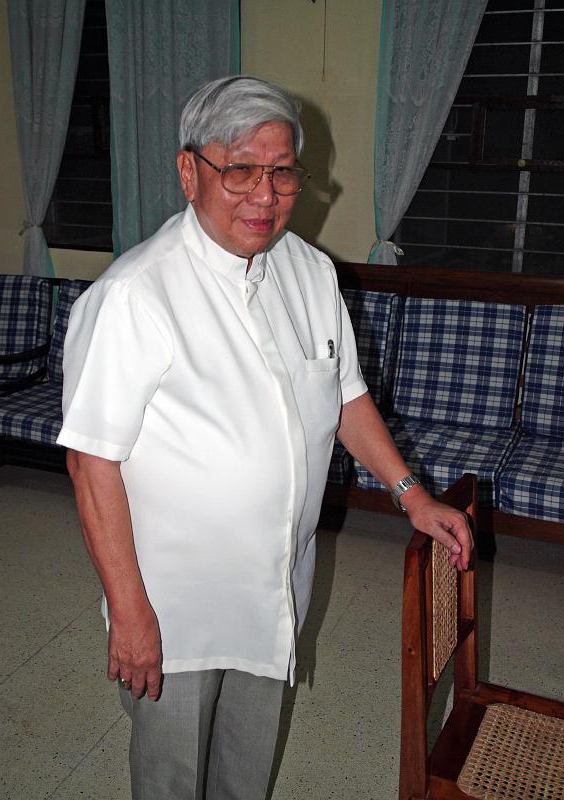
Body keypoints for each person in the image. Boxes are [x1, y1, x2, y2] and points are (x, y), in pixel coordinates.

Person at [57, 75, 472, 800]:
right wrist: (129, 612)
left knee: (245, 772)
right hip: (175, 604)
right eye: (240, 169)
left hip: (277, 585)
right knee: (172, 775)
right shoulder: (134, 296)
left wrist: (411, 495)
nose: (264, 194)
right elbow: (92, 461)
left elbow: (342, 394)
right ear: (190, 172)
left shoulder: (309, 272)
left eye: (281, 172)